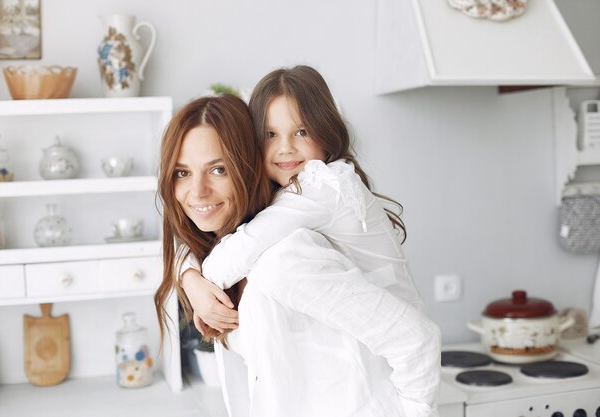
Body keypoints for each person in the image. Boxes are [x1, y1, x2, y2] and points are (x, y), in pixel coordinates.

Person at [154, 91, 440, 417]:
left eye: (218, 169)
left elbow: (416, 339)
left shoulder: (286, 259)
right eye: (182, 173)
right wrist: (190, 276)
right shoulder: (231, 245)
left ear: (248, 165)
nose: (198, 191)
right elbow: (185, 244)